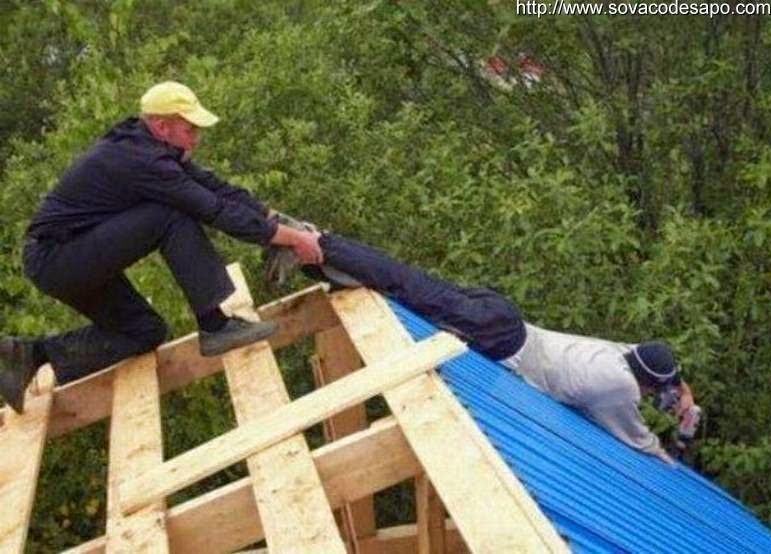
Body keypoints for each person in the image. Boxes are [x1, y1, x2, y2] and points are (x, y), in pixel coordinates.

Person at [0, 81, 323, 414]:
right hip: (57, 259)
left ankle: (31, 354)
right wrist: (288, 238)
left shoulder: (152, 146)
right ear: (162, 125)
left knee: (144, 332)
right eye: (189, 129)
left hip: (69, 257)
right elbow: (213, 210)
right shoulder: (143, 160)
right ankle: (215, 326)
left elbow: (215, 188)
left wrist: (274, 218)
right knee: (171, 214)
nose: (196, 138)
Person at [265, 219, 697, 464]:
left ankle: (316, 253)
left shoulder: (622, 355)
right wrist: (674, 452)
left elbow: (659, 368)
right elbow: (638, 442)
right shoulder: (619, 386)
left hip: (504, 316)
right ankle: (314, 242)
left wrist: (682, 395)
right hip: (499, 336)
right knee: (400, 283)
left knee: (405, 284)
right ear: (645, 383)